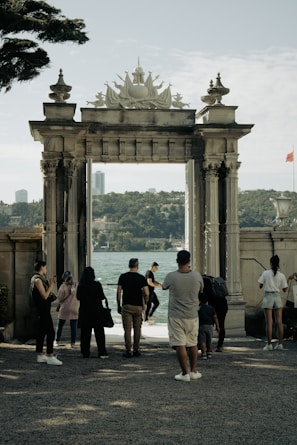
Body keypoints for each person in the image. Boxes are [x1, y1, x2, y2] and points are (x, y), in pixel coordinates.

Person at [162, 250, 203, 382]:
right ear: (189, 261)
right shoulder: (197, 276)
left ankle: (184, 373)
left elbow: (164, 287)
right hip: (192, 314)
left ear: (177, 261)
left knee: (180, 343)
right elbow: (201, 291)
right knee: (192, 343)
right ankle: (193, 370)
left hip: (176, 314)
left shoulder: (171, 276)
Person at [30, 260, 62, 365]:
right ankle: (50, 355)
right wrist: (51, 285)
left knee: (42, 332)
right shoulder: (37, 280)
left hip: (42, 309)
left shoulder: (38, 279)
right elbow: (44, 296)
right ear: (42, 267)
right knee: (51, 332)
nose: (46, 269)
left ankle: (40, 354)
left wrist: (48, 283)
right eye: (45, 267)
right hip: (42, 310)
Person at [117, 258, 149, 358]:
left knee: (127, 329)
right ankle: (136, 350)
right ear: (137, 265)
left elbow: (118, 292)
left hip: (126, 306)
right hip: (138, 306)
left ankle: (128, 350)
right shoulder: (141, 278)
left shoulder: (123, 277)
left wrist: (118, 304)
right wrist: (145, 302)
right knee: (137, 329)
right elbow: (147, 293)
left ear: (129, 265)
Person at [76, 266, 109, 359]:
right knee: (99, 332)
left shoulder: (81, 285)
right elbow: (102, 297)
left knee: (85, 333)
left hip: (85, 311)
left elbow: (78, 297)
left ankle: (85, 352)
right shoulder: (97, 284)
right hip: (97, 311)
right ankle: (102, 351)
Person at [258, 254, 288, 351]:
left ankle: (269, 344)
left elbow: (260, 286)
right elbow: (284, 289)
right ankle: (280, 344)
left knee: (269, 322)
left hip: (268, 296)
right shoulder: (281, 275)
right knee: (279, 322)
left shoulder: (265, 273)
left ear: (270, 263)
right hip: (277, 296)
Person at [54, 271, 79, 348]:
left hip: (65, 308)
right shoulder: (76, 285)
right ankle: (73, 343)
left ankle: (57, 341)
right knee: (73, 327)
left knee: (60, 325)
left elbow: (59, 298)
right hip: (74, 308)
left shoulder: (63, 286)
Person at [198, 293, 220, 360]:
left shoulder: (199, 308)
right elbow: (215, 317)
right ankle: (209, 352)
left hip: (202, 325)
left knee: (202, 341)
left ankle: (204, 353)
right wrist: (217, 326)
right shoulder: (211, 308)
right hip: (210, 325)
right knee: (209, 340)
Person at [207, 287, 228, 353]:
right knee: (221, 325)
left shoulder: (206, 282)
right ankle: (220, 346)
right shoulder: (217, 285)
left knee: (209, 326)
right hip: (223, 305)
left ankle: (208, 346)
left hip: (213, 306)